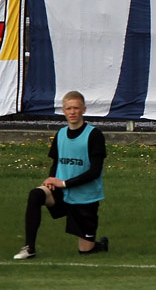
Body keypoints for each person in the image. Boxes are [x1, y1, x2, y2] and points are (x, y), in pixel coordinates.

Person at [13, 91, 108, 261]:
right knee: (36, 194)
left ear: (83, 110)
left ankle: (100, 245)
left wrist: (63, 183)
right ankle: (29, 248)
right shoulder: (61, 134)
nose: (72, 112)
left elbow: (95, 172)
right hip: (62, 193)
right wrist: (51, 180)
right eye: (68, 108)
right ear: (63, 111)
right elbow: (56, 163)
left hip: (84, 197)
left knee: (85, 251)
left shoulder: (94, 135)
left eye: (76, 108)